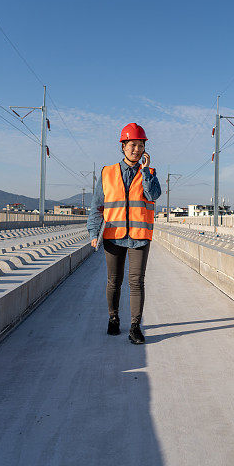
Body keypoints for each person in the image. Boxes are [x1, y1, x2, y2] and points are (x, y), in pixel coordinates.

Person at [87, 123, 161, 344]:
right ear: (123, 146)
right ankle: (113, 319)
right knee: (114, 281)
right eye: (132, 145)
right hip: (113, 234)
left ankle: (135, 327)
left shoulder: (149, 173)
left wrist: (147, 171)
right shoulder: (107, 172)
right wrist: (93, 232)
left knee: (136, 282)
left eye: (140, 145)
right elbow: (97, 205)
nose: (136, 150)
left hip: (139, 236)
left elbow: (153, 195)